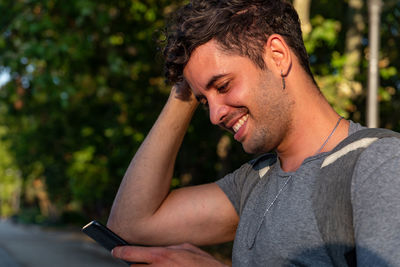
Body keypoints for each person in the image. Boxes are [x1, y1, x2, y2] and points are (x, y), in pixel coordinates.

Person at [107, 0, 400, 266]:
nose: (214, 115)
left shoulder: (379, 163)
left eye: (223, 86)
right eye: (203, 101)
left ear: (277, 55)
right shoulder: (254, 180)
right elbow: (131, 224)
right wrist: (186, 83)